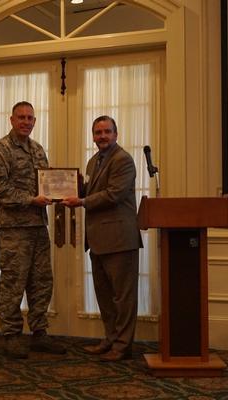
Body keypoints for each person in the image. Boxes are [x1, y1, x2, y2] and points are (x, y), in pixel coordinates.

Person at [0, 101, 66, 359]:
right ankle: (10, 335)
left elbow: (49, 185)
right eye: (21, 117)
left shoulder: (38, 150)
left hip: (38, 227)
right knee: (13, 282)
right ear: (11, 120)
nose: (26, 122)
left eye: (30, 118)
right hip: (13, 229)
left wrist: (61, 193)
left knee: (41, 282)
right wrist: (31, 200)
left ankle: (40, 333)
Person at [62, 115, 142, 362]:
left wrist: (82, 200)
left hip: (119, 239)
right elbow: (91, 191)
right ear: (93, 136)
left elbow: (114, 195)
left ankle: (123, 346)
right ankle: (110, 339)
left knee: (123, 297)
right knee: (105, 295)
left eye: (107, 132)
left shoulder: (123, 160)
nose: (102, 136)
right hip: (98, 239)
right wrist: (70, 187)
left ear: (116, 134)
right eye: (98, 132)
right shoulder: (92, 161)